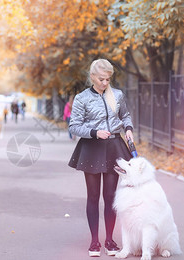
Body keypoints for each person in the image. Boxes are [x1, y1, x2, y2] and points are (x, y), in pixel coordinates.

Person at [68, 59, 134, 257]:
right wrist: (95, 132)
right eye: (101, 79)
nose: (105, 83)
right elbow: (74, 126)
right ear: (92, 77)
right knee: (94, 196)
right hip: (92, 148)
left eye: (108, 79)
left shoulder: (118, 95)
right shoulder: (82, 98)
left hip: (114, 146)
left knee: (111, 197)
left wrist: (128, 129)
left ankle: (110, 240)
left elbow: (126, 116)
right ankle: (94, 242)